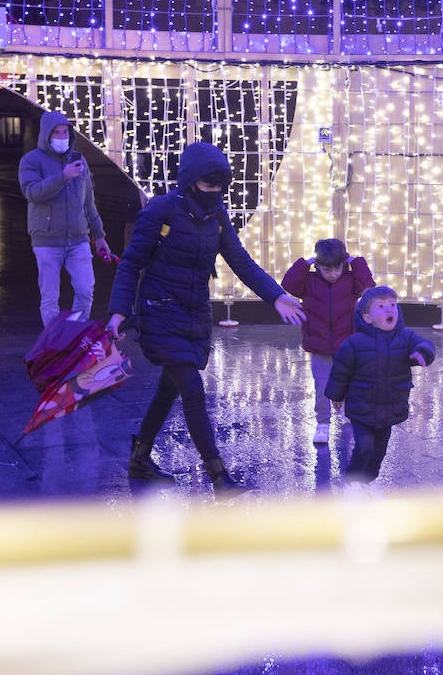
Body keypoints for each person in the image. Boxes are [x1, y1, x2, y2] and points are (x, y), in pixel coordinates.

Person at [105, 141, 305, 490]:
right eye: (207, 185)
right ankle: (219, 477)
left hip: (195, 314)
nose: (213, 192)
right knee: (192, 390)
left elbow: (240, 261)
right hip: (160, 311)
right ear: (189, 180)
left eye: (218, 186)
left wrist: (275, 296)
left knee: (169, 389)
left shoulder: (216, 215)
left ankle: (140, 459)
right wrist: (119, 312)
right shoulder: (161, 210)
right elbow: (131, 262)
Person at [325, 285, 435, 482]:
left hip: (390, 406)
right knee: (364, 446)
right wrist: (336, 395)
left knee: (379, 451)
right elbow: (341, 371)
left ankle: (369, 479)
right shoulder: (354, 343)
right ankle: (353, 480)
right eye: (381, 306)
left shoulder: (405, 337)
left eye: (393, 305)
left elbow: (424, 344)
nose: (389, 309)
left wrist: (423, 353)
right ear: (367, 318)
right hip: (361, 406)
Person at [19, 111, 112, 325]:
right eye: (57, 132)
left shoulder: (80, 161)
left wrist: (99, 235)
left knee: (86, 291)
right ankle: (54, 344)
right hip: (47, 241)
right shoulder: (31, 161)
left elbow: (88, 202)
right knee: (50, 298)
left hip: (78, 239)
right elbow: (32, 193)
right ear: (46, 134)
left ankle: (75, 335)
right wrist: (62, 177)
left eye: (65, 132)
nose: (62, 137)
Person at [281, 238, 375, 445]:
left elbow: (368, 285)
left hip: (347, 345)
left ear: (344, 264)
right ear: (317, 266)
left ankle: (345, 410)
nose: (333, 274)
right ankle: (323, 423)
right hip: (319, 345)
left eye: (337, 268)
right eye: (327, 269)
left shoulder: (350, 281)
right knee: (322, 385)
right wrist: (305, 262)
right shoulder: (309, 282)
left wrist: (354, 260)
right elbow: (288, 284)